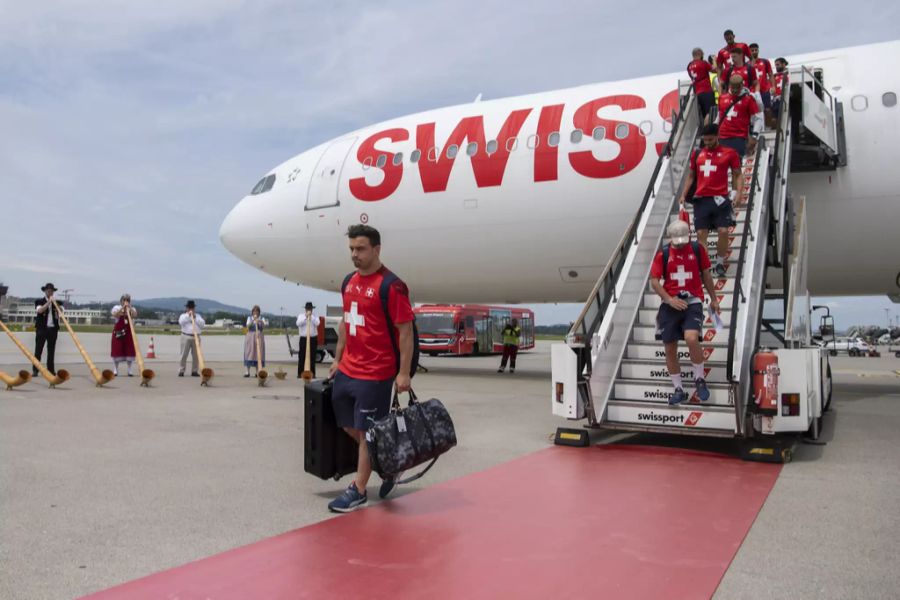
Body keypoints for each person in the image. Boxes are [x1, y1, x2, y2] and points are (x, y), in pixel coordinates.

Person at [326, 224, 415, 513]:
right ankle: (388, 465)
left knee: (366, 431)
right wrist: (338, 360)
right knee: (346, 424)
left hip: (376, 372)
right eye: (352, 249)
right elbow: (345, 324)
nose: (355, 254)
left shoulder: (391, 285)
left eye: (361, 249)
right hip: (349, 369)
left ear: (376, 249)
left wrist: (403, 373)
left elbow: (405, 332)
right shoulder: (348, 282)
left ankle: (359, 489)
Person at [649, 220, 720, 405]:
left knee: (690, 338)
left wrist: (713, 298)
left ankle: (699, 378)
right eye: (677, 241)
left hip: (693, 301)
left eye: (683, 240)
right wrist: (669, 299)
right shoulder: (663, 254)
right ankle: (678, 388)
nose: (680, 244)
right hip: (670, 304)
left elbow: (706, 274)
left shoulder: (697, 249)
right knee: (670, 347)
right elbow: (655, 281)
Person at [678, 123, 744, 278]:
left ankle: (720, 262)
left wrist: (739, 193)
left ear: (717, 136)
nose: (707, 143)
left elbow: (738, 174)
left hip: (721, 199)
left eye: (710, 140)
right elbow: (691, 176)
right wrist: (683, 194)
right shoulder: (697, 153)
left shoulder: (730, 153)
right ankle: (705, 266)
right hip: (701, 200)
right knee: (701, 233)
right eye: (705, 140)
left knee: (723, 231)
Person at [716, 74, 762, 159]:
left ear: (742, 85)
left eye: (737, 87)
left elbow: (758, 118)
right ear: (729, 85)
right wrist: (714, 131)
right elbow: (719, 116)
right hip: (722, 137)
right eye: (733, 87)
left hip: (739, 138)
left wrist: (754, 136)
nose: (735, 90)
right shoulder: (722, 98)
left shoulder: (749, 99)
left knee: (737, 164)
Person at [33, 283, 61, 377]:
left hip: (53, 329)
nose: (50, 292)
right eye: (48, 290)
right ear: (45, 291)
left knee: (51, 351)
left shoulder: (57, 303)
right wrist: (49, 302)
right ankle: (35, 370)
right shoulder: (39, 301)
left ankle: (51, 370)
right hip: (42, 329)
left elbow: (61, 312)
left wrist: (56, 305)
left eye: (52, 291)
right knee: (38, 350)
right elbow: (40, 310)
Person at [110, 294, 138, 377]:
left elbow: (135, 315)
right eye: (124, 300)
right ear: (121, 300)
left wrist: (129, 308)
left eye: (127, 300)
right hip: (119, 331)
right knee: (117, 349)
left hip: (129, 332)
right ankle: (115, 369)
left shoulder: (132, 308)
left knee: (129, 350)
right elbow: (115, 315)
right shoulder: (117, 307)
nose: (126, 301)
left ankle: (129, 370)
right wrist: (123, 308)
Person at [749, 43, 776, 121]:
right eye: (752, 50)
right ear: (749, 52)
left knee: (767, 109)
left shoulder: (765, 61)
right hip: (753, 91)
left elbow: (771, 74)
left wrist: (773, 86)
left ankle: (769, 128)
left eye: (756, 50)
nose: (754, 52)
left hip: (765, 90)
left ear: (758, 50)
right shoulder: (747, 64)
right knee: (754, 111)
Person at [687, 48, 715, 122]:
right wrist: (714, 60)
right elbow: (714, 70)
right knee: (710, 114)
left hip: (698, 93)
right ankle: (708, 131)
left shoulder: (689, 66)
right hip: (706, 91)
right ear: (700, 54)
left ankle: (705, 130)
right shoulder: (703, 63)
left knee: (704, 115)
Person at [178, 300, 205, 377]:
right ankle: (181, 370)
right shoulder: (183, 316)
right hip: (186, 336)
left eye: (192, 308)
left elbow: (202, 325)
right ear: (186, 308)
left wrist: (195, 317)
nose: (191, 309)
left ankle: (194, 371)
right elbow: (181, 322)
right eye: (189, 308)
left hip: (196, 337)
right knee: (183, 354)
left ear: (194, 308)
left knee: (196, 355)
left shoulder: (198, 316)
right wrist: (188, 316)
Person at [296, 301, 322, 378]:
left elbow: (318, 323)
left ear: (312, 309)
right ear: (305, 309)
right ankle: (300, 373)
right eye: (308, 309)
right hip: (303, 338)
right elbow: (298, 323)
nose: (309, 310)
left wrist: (311, 317)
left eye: (310, 309)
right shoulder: (301, 316)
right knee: (302, 356)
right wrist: (306, 317)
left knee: (312, 356)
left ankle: (312, 373)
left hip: (312, 338)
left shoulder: (315, 316)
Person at [243, 305, 267, 378]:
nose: (255, 312)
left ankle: (258, 371)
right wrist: (253, 320)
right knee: (249, 352)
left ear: (259, 312)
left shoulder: (262, 318)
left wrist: (259, 321)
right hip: (250, 336)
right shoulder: (249, 318)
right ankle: (247, 371)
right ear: (252, 312)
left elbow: (264, 326)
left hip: (259, 336)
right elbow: (248, 326)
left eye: (257, 311)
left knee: (258, 353)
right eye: (254, 311)